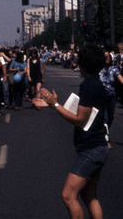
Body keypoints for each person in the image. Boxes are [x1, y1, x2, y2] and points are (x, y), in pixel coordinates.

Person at [40, 45, 108, 219]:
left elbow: (80, 120)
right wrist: (52, 105)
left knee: (68, 196)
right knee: (89, 196)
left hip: (91, 150)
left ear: (81, 64)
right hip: (96, 146)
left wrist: (55, 105)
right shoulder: (95, 83)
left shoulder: (89, 86)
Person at [98, 50, 123, 148]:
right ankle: (105, 140)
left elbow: (121, 79)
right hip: (101, 96)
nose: (107, 58)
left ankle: (103, 133)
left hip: (112, 96)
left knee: (111, 117)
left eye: (108, 57)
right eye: (105, 57)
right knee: (105, 118)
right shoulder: (98, 69)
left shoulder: (114, 69)